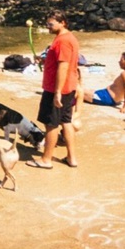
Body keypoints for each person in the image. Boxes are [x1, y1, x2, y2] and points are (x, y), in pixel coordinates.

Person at [28, 10, 80, 169]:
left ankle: (46, 159)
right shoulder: (68, 38)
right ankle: (71, 158)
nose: (48, 27)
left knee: (51, 124)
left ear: (62, 23)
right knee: (66, 121)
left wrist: (57, 92)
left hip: (57, 89)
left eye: (51, 24)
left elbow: (63, 67)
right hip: (68, 87)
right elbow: (60, 61)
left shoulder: (63, 41)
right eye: (47, 24)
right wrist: (45, 60)